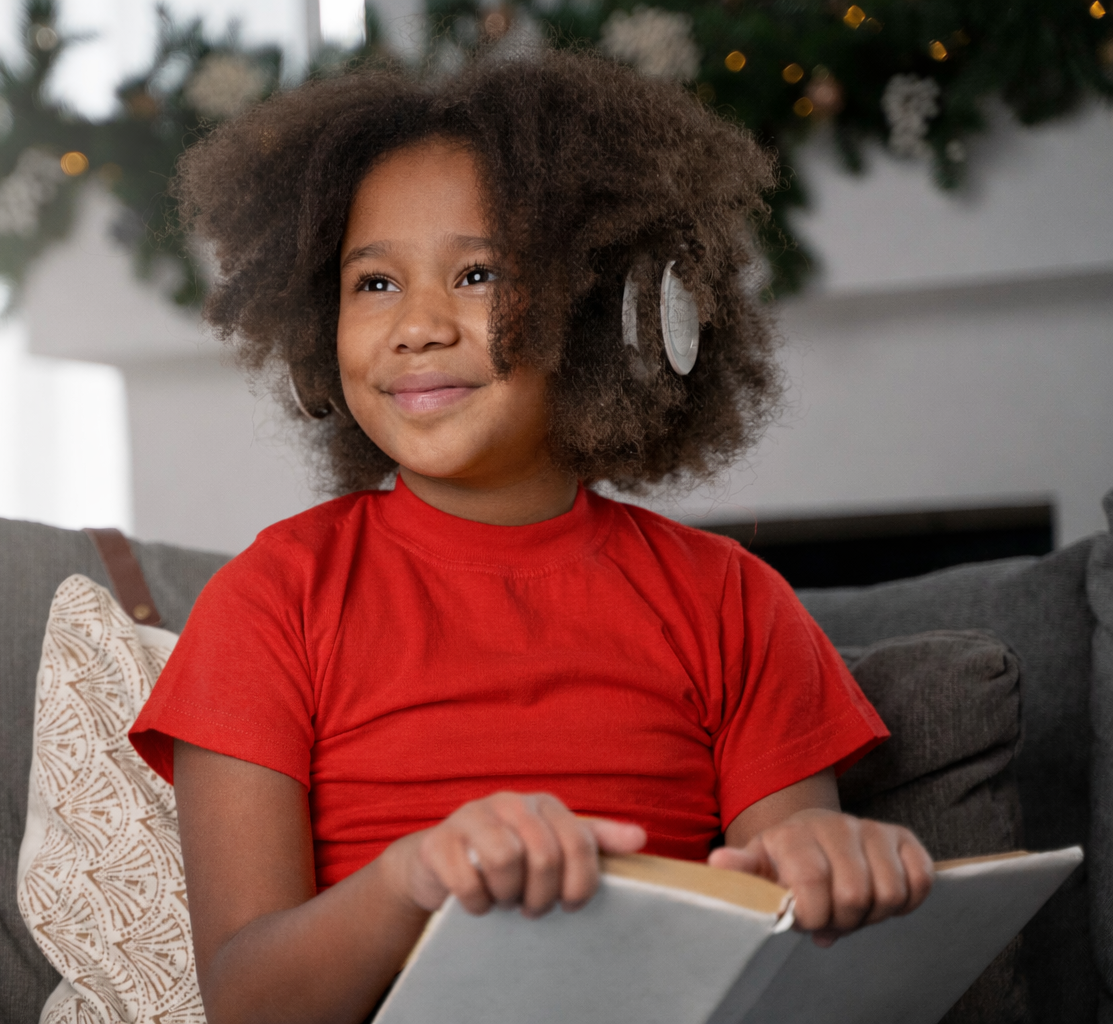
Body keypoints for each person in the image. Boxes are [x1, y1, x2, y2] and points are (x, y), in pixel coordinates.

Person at [128, 49, 934, 1024]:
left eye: (477, 274)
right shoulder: (270, 601)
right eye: (373, 283)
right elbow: (248, 1003)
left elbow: (790, 926)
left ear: (600, 310)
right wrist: (413, 879)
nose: (418, 326)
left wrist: (834, 866)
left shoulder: (734, 602)